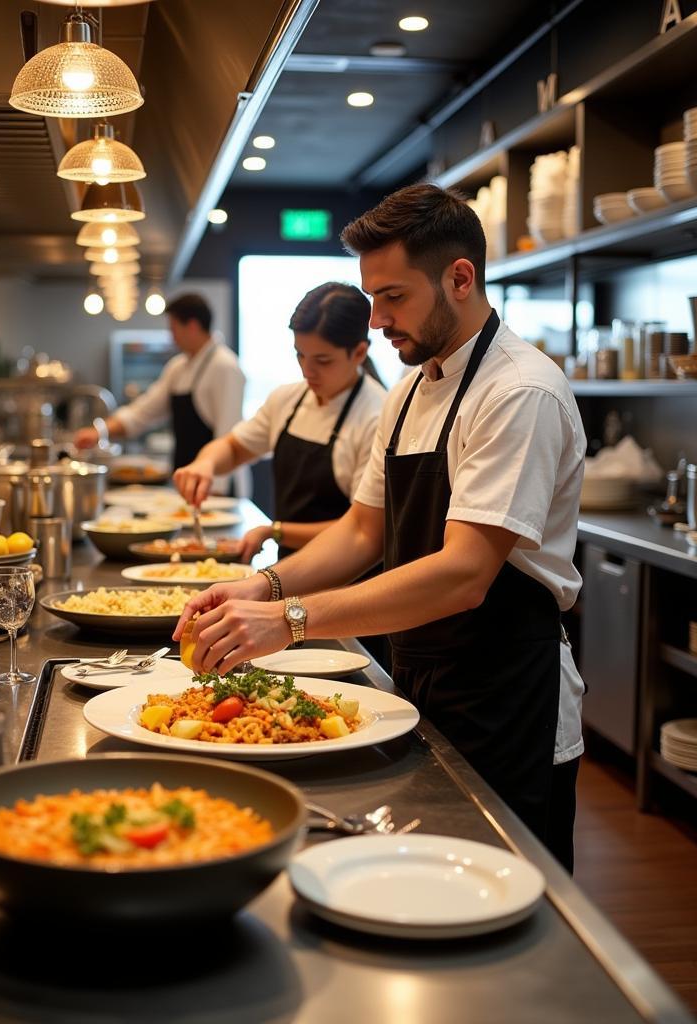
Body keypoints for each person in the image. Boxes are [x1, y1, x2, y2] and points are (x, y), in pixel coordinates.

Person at [172, 184, 586, 869]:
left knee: (509, 905)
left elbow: (464, 574)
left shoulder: (519, 391)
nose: (377, 318)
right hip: (425, 676)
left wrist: (292, 620)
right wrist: (261, 588)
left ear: (460, 278)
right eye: (373, 298)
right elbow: (363, 534)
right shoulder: (413, 389)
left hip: (510, 695)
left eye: (393, 296)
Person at [173, 282, 386, 562]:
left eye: (323, 360)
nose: (307, 370)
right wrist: (206, 464)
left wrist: (275, 531)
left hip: (347, 579)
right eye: (300, 355)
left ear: (359, 353)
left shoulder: (377, 415)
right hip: (289, 570)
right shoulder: (288, 399)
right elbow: (235, 448)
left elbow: (361, 530)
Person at [75, 293, 246, 491]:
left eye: (173, 329)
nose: (171, 337)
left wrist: (216, 490)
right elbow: (144, 412)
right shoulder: (178, 367)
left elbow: (229, 435)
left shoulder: (225, 366)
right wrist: (100, 431)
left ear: (192, 326)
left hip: (215, 484)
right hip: (186, 479)